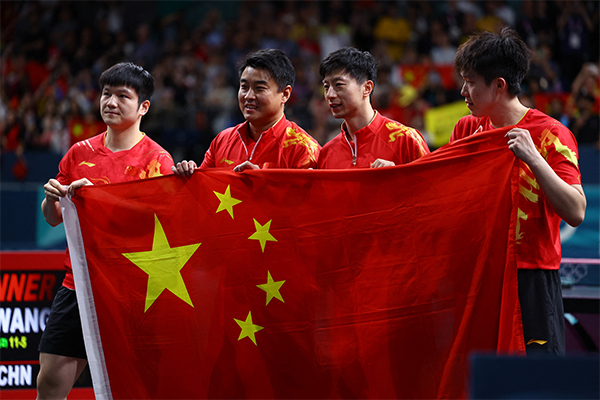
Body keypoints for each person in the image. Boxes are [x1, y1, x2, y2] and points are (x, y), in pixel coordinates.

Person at [37, 62, 174, 398]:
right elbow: (53, 218)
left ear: (143, 107)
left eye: (122, 96)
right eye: (106, 94)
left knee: (132, 385)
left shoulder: (158, 161)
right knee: (49, 380)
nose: (110, 102)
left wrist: (101, 199)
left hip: (131, 290)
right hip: (79, 285)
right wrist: (52, 199)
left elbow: (162, 226)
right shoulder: (79, 153)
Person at [449, 27, 587, 355]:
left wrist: (534, 158)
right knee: (480, 376)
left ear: (499, 86)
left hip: (531, 278)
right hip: (481, 275)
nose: (463, 91)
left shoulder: (551, 134)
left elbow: (576, 211)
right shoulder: (467, 129)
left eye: (470, 82)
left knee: (534, 378)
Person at [172, 49, 320, 175]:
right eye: (244, 87)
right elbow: (204, 191)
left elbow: (309, 201)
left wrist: (262, 184)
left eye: (259, 88)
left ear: (285, 94)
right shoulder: (222, 141)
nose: (248, 96)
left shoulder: (304, 150)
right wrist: (189, 175)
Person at [317, 47, 429, 169]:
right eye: (326, 87)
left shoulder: (406, 140)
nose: (330, 95)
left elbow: (432, 181)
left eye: (339, 85)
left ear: (367, 88)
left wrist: (397, 176)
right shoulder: (326, 153)